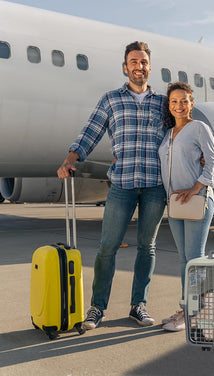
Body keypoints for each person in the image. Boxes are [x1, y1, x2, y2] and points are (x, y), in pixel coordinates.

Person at [57, 41, 168, 329]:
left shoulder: (162, 102)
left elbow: (178, 137)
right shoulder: (110, 100)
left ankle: (138, 305)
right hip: (123, 183)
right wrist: (71, 158)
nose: (139, 66)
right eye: (134, 61)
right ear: (125, 67)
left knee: (148, 247)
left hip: (156, 185)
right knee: (107, 247)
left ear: (149, 67)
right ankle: (97, 307)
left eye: (143, 62)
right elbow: (90, 132)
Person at [158, 82, 214, 332]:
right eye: (174, 101)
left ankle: (191, 312)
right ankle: (189, 308)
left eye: (184, 101)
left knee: (195, 257)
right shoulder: (168, 134)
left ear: (191, 103)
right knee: (184, 259)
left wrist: (196, 188)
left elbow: (213, 160)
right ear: (169, 105)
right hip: (174, 203)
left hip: (196, 199)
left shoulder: (199, 128)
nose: (179, 105)